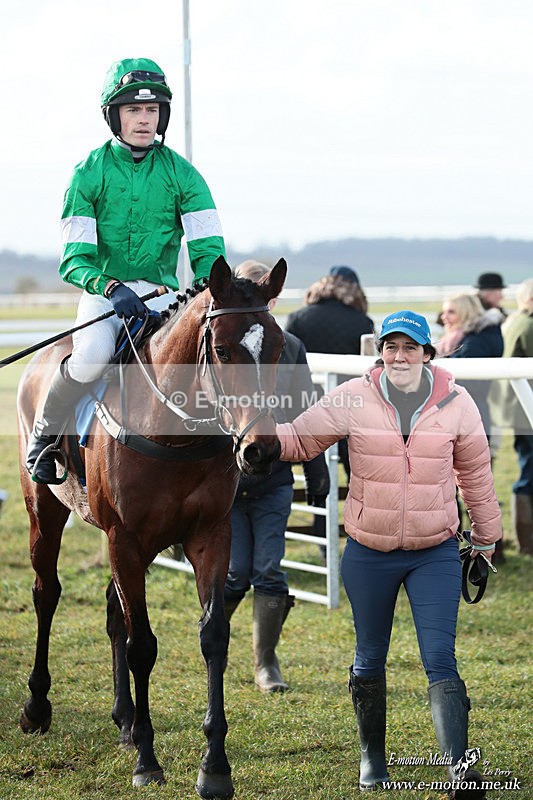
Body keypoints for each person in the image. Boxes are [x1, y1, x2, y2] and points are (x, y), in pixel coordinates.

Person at [276, 310, 501, 796]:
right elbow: (299, 439)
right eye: (391, 347)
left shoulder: (457, 403)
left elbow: (476, 475)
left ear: (427, 353)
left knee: (440, 658)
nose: (400, 356)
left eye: (410, 347)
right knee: (369, 655)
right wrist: (253, 431)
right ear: (380, 352)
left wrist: (486, 537)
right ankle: (372, 758)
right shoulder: (352, 397)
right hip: (368, 551)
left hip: (435, 552)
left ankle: (460, 772)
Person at [26, 57, 225, 484]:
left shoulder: (185, 175)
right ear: (113, 116)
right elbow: (74, 260)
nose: (144, 119)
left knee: (200, 357)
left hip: (164, 297)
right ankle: (43, 438)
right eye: (133, 110)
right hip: (105, 296)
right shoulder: (88, 174)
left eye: (152, 110)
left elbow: (209, 251)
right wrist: (111, 287)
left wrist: (208, 288)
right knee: (92, 358)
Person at [224, 260, 330, 692]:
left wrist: (316, 466)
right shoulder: (220, 343)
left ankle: (266, 663)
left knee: (269, 570)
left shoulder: (291, 346)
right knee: (234, 573)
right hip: (227, 484)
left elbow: (306, 406)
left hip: (274, 478)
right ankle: (213, 640)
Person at [285, 265, 374, 478]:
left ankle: (315, 500)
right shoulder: (362, 322)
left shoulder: (297, 318)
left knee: (311, 463)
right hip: (349, 403)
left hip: (306, 401)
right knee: (355, 465)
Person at [489, 278, 533, 555]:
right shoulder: (528, 325)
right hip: (526, 409)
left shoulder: (515, 320)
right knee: (529, 472)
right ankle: (528, 543)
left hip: (517, 407)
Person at [436, 293, 504, 440]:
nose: (444, 317)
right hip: (466, 412)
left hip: (469, 416)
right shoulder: (458, 340)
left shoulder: (474, 343)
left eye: (451, 312)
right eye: (444, 312)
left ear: (466, 314)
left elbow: (473, 385)